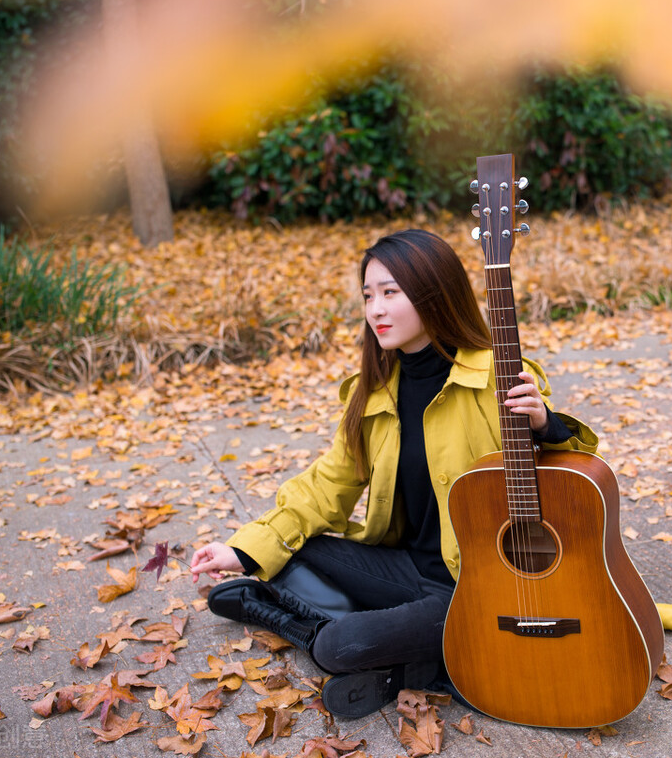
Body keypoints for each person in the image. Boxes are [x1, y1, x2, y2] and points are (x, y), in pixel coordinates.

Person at [188, 229, 599, 718]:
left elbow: (574, 485)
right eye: (367, 296)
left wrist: (545, 425)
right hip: (409, 570)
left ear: (434, 294)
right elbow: (329, 484)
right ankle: (425, 654)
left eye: (390, 293)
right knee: (301, 544)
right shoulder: (376, 390)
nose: (375, 310)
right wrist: (242, 547)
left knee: (338, 646)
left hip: (481, 586)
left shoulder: (497, 376)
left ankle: (321, 629)